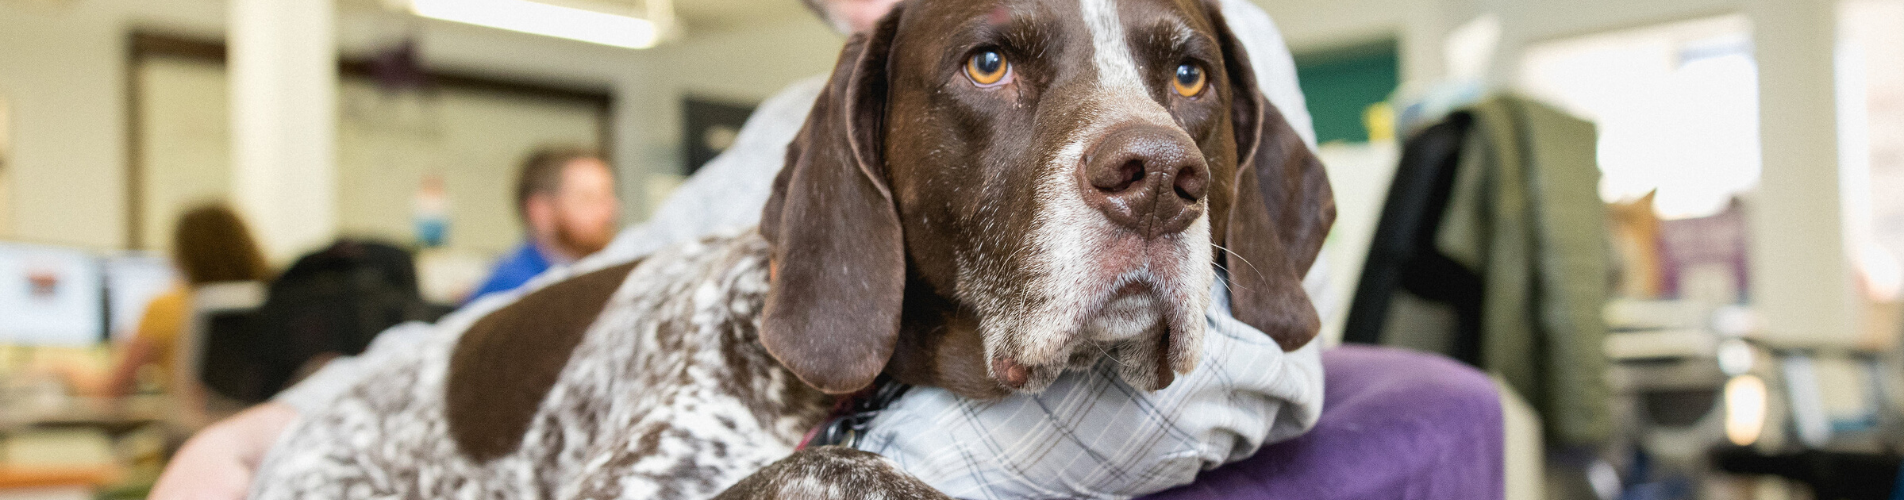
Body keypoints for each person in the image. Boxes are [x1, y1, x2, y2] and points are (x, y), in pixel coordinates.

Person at [150, 1, 1319, 498]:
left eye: (1182, 91)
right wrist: (277, 426)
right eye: (989, 61)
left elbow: (1249, 364)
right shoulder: (783, 144)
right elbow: (578, 303)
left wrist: (860, 466)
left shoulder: (1185, 28)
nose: (1156, 158)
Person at [96, 204, 269, 400]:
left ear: (182, 254)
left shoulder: (168, 306)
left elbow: (114, 389)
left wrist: (68, 372)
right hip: (264, 426)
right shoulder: (273, 301)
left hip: (193, 427)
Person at [462, 147, 620, 303]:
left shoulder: (603, 272)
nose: (611, 212)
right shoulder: (511, 293)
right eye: (589, 199)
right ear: (541, 211)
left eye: (608, 197)